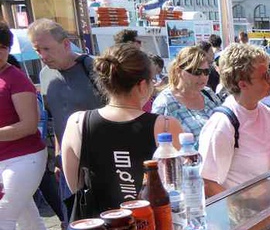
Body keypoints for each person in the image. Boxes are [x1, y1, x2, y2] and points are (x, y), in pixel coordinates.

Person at [62, 44, 186, 215]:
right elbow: (181, 188)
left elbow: (75, 185)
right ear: (143, 85)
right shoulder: (165, 126)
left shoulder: (77, 123)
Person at [199, 44, 270, 196]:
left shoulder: (269, 112)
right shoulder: (223, 125)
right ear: (242, 84)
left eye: (269, 72)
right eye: (264, 76)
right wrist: (243, 208)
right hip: (246, 216)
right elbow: (208, 183)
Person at [0, 22, 58, 230]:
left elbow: (28, 124)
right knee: (28, 219)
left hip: (24, 157)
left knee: (3, 218)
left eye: (2, 48)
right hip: (6, 160)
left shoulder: (16, 79)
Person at [28, 18, 105, 221]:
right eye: (38, 50)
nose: (43, 56)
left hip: (101, 159)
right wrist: (59, 158)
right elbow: (57, 118)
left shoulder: (94, 68)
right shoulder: (46, 76)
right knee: (76, 222)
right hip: (69, 162)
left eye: (47, 48)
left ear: (65, 44)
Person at [152, 46, 222, 148]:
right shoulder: (165, 103)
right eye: (196, 72)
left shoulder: (208, 93)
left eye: (206, 72)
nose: (202, 77)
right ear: (179, 71)